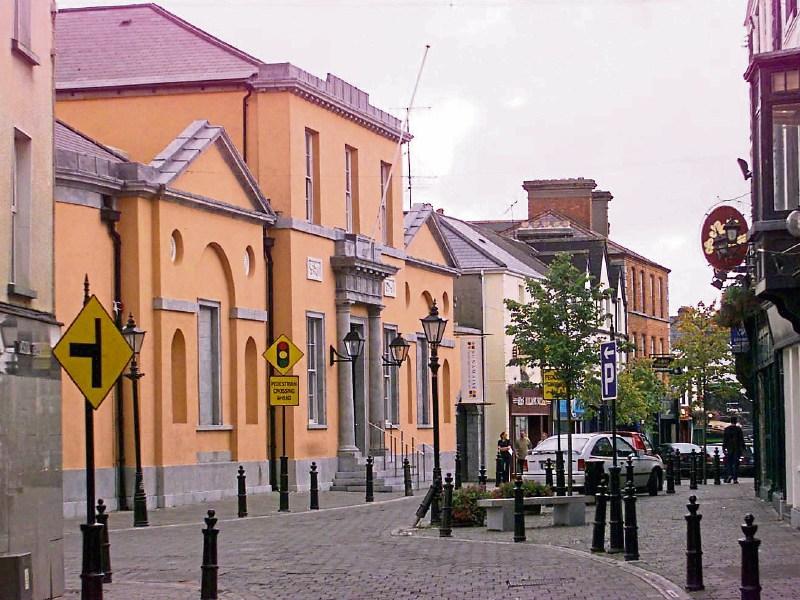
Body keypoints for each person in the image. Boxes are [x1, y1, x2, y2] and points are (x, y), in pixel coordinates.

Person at [722, 415, 746, 483]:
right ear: (736, 421)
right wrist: (744, 448)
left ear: (730, 421)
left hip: (729, 449)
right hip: (737, 449)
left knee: (729, 463)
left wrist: (724, 448)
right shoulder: (738, 429)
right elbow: (741, 439)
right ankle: (735, 478)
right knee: (736, 464)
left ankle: (730, 474)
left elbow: (725, 440)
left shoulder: (727, 429)